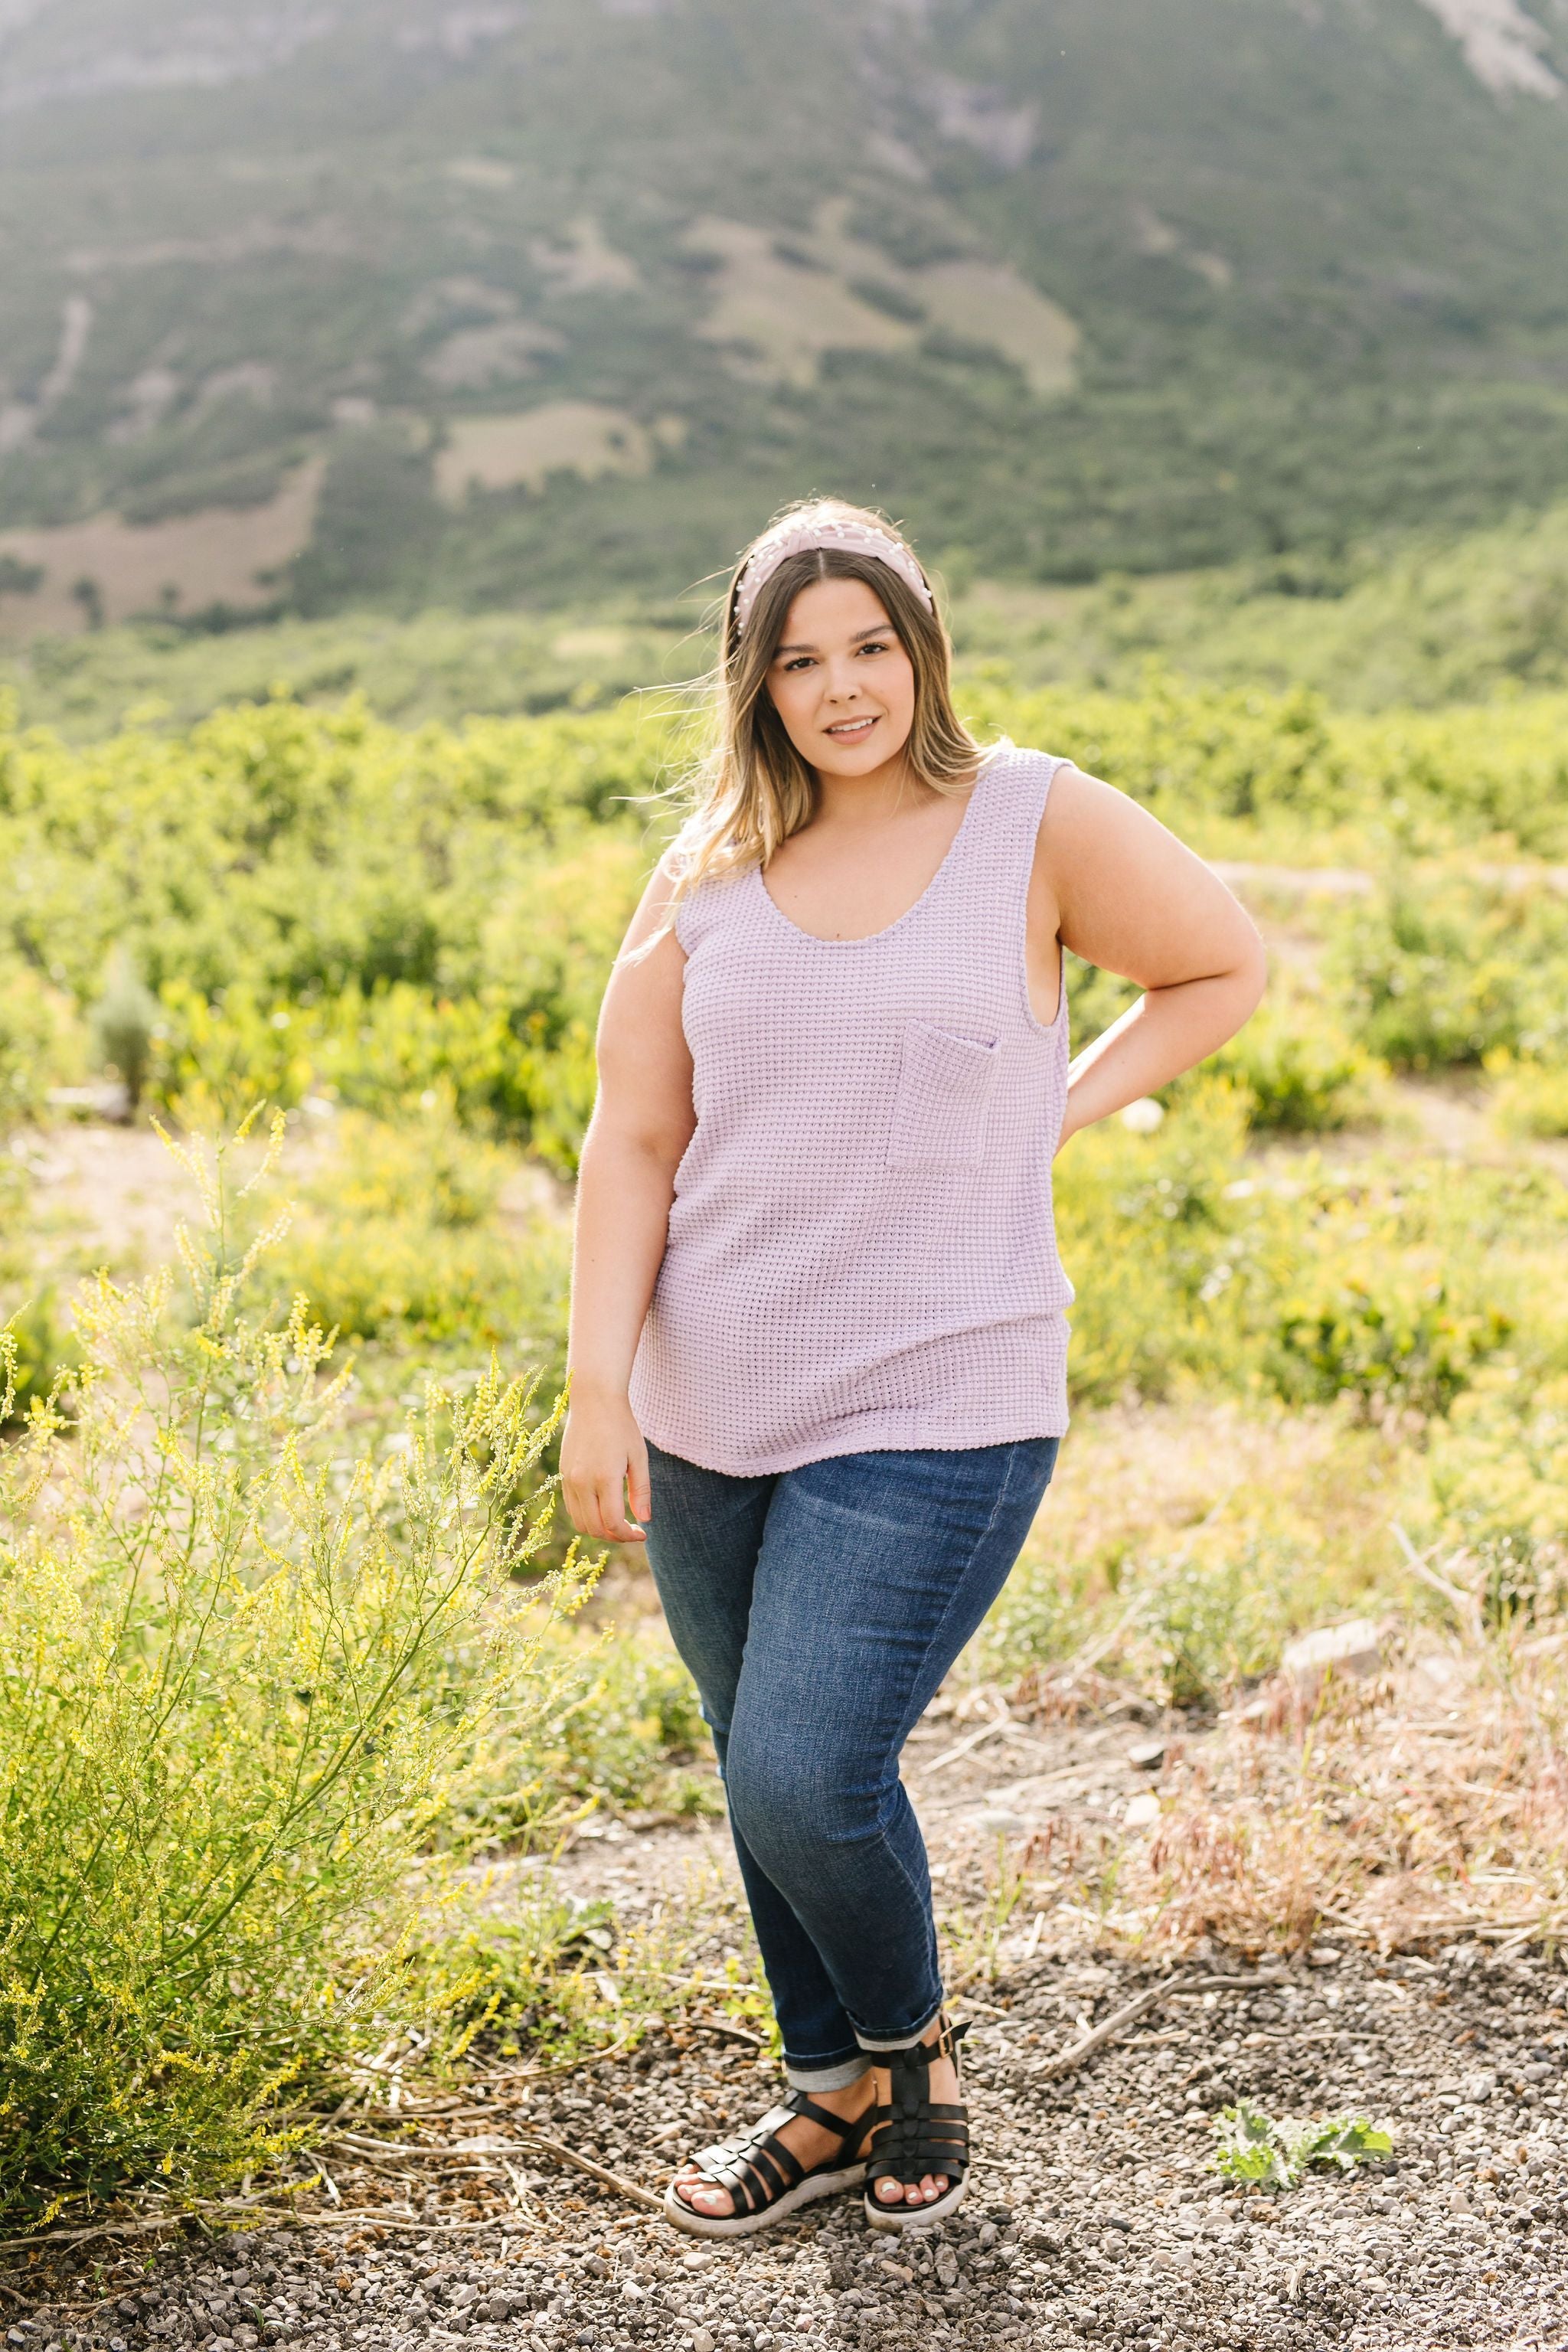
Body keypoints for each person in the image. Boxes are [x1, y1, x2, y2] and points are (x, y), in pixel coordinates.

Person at [560, 499, 1266, 2238]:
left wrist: (1059, 1103)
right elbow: (633, 1139)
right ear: (756, 685)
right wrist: (594, 1388)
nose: (842, 685)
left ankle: (912, 2049)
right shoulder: (703, 872)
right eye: (798, 659)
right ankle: (827, 2093)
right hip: (711, 1392)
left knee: (807, 1766)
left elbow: (1219, 962)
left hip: (946, 1387)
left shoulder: (1027, 815)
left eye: (869, 643)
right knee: (755, 1769)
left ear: (921, 645)